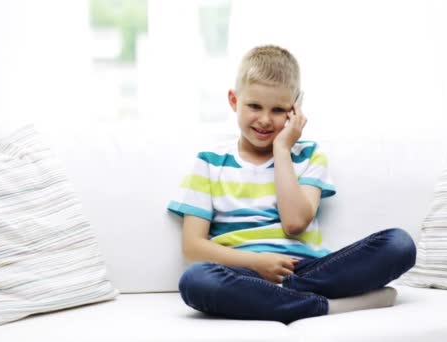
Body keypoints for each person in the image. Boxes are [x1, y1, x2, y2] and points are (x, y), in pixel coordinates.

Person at [167, 45, 416, 323]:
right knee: (195, 280)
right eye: (254, 106)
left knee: (399, 244)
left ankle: (280, 298)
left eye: (278, 110)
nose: (264, 119)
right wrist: (258, 263)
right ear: (234, 100)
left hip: (309, 270)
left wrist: (282, 150)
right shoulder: (210, 162)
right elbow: (192, 247)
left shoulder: (309, 156)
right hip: (243, 272)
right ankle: (326, 307)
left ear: (295, 110)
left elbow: (294, 223)